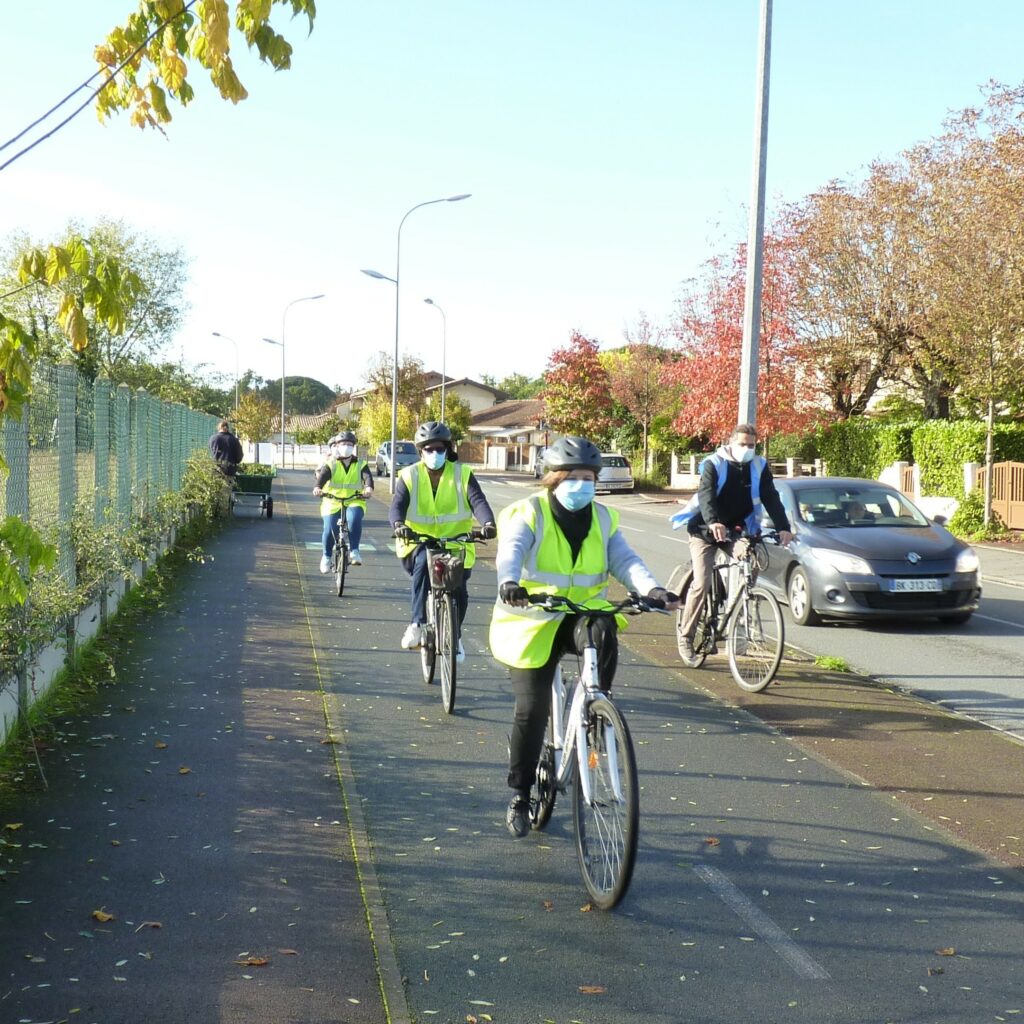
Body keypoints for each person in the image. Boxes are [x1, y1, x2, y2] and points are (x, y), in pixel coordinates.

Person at [489, 436, 679, 838]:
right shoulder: (529, 512)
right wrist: (509, 581)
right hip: (532, 622)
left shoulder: (604, 518)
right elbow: (512, 550)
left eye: (589, 477)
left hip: (581, 615)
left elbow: (625, 560)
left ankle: (597, 706)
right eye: (573, 477)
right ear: (554, 479)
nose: (582, 485)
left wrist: (652, 590)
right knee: (532, 709)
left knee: (605, 626)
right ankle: (520, 795)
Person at [676, 423, 793, 667]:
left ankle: (743, 598)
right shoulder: (714, 464)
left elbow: (771, 496)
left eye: (751, 445)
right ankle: (685, 636)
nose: (747, 449)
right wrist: (713, 522)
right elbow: (706, 495)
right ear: (730, 443)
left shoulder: (759, 466)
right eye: (742, 444)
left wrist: (784, 527)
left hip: (736, 529)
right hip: (704, 530)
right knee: (703, 581)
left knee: (756, 557)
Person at [390, 421, 497, 659]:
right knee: (421, 565)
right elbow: (397, 505)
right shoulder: (409, 475)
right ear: (421, 451)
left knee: (460, 592)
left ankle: (454, 636)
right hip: (419, 541)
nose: (435, 454)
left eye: (440, 449)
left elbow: (478, 501)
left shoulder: (462, 474)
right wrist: (399, 525)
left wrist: (488, 524)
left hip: (456, 543)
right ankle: (416, 624)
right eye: (429, 449)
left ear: (448, 449)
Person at [313, 431, 373, 572]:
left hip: (354, 500)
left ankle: (354, 551)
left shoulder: (360, 463)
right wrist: (317, 487)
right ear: (337, 446)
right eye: (343, 444)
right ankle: (326, 557)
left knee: (355, 519)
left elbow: (368, 477)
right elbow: (322, 477)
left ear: (353, 447)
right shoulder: (331, 463)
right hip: (332, 500)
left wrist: (369, 488)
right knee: (330, 529)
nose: (346, 446)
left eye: (349, 444)